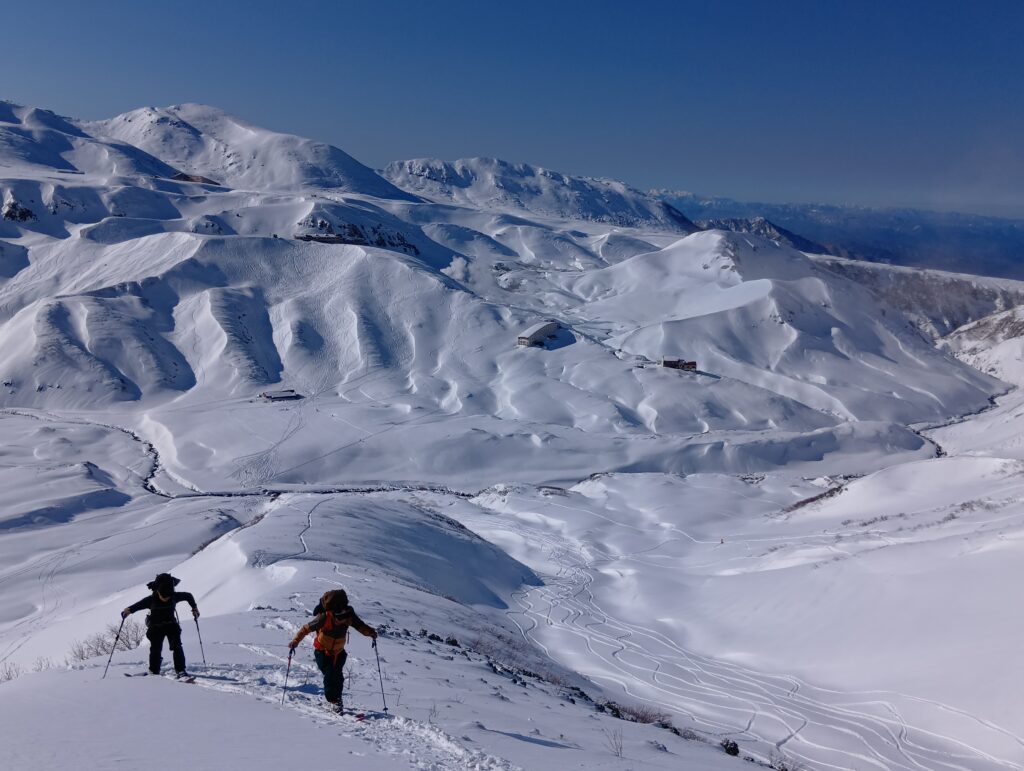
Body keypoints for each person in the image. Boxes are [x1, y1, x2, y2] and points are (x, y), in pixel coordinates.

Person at [288, 589, 377, 711]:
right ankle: (332, 701)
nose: (342, 622)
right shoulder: (324, 617)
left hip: (339, 652)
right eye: (339, 619)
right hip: (322, 651)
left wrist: (371, 633)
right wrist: (295, 641)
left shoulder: (348, 616)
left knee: (338, 677)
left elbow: (360, 626)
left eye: (344, 620)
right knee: (330, 675)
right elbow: (305, 629)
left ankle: (337, 700)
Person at [122, 573, 200, 678]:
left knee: (176, 646)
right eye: (163, 596)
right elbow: (137, 606)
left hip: (171, 625)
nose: (166, 598)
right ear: (158, 591)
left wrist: (194, 608)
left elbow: (188, 596)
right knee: (156, 648)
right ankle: (154, 671)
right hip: (156, 627)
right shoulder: (151, 599)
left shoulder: (174, 596)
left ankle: (180, 670)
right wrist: (128, 610)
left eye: (168, 596)